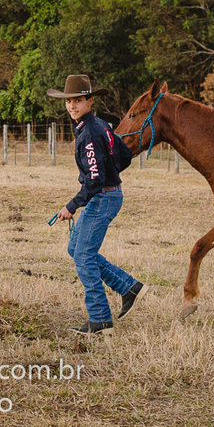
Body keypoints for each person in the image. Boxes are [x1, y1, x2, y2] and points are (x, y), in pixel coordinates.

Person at [49, 74, 146, 334]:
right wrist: (110, 173)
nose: (72, 106)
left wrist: (71, 205)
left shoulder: (90, 131)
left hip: (103, 197)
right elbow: (124, 154)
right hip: (105, 194)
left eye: (78, 100)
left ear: (90, 101)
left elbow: (94, 180)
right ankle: (128, 286)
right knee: (76, 249)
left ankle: (100, 318)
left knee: (83, 256)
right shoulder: (98, 125)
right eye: (69, 101)